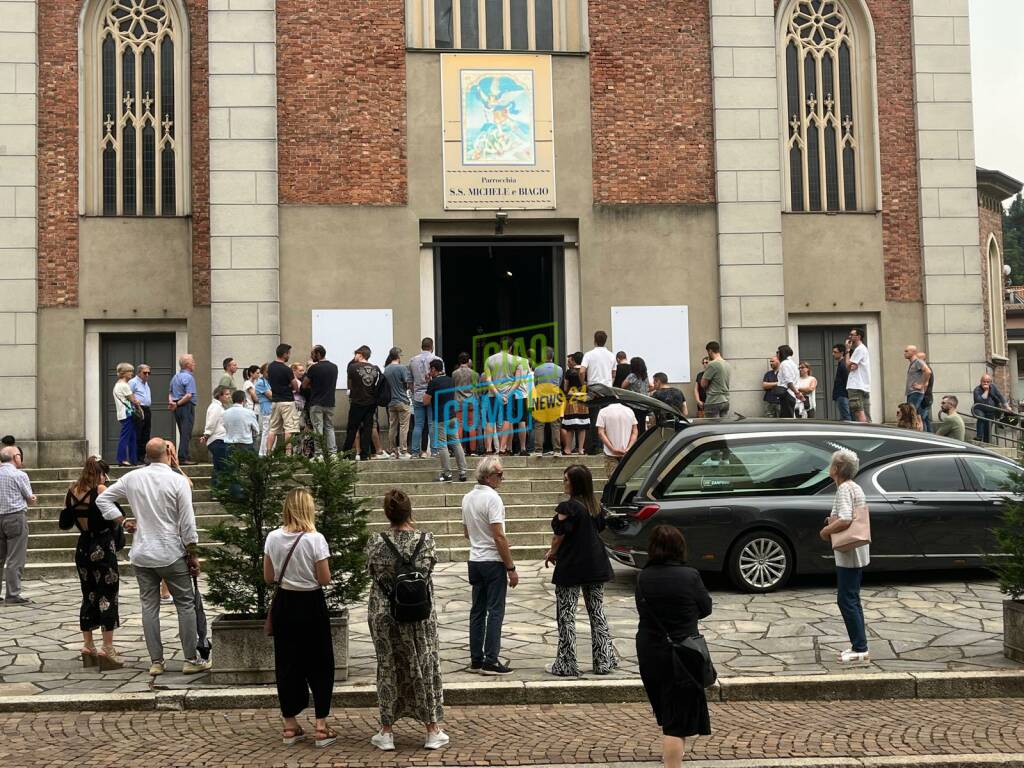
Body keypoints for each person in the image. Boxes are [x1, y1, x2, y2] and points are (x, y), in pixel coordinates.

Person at [96, 438, 210, 675]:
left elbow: (103, 499)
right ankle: (190, 658)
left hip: (143, 552)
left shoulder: (133, 477)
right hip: (171, 550)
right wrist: (193, 553)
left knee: (149, 607)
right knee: (185, 605)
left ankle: (156, 661)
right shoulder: (178, 481)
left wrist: (121, 520)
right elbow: (188, 523)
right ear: (168, 452)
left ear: (147, 455)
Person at [366, 489, 447, 751]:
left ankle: (386, 731)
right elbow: (429, 570)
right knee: (424, 664)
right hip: (419, 613)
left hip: (385, 612)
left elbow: (372, 572)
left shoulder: (376, 542)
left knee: (388, 666)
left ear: (386, 513)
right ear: (409, 511)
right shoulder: (427, 540)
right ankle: (432, 729)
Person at [263, 488, 336, 748]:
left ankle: (290, 724)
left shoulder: (272, 537)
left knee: (287, 663)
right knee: (320, 663)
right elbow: (325, 579)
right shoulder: (315, 539)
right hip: (311, 602)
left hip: (285, 602)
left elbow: (269, 577)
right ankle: (320, 724)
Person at [635, 525, 712, 767]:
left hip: (651, 649)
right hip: (684, 650)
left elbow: (642, 610)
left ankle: (671, 755)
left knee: (667, 709)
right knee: (676, 724)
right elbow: (706, 607)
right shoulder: (690, 576)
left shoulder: (643, 577)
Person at [542, 464, 617, 677]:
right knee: (597, 612)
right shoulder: (595, 506)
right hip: (595, 564)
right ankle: (604, 661)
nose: (564, 483)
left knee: (566, 615)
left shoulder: (568, 507)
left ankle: (566, 663)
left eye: (566, 479)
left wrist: (552, 552)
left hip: (572, 565)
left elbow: (559, 535)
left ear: (575, 483)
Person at [60, 456, 123, 669]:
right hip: (102, 545)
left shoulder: (73, 492)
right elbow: (117, 516)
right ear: (100, 474)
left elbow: (64, 523)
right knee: (108, 593)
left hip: (83, 546)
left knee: (88, 594)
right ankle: (108, 647)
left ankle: (88, 645)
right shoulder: (101, 491)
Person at [461, 456, 517, 675]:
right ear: (487, 476)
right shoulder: (493, 499)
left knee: (477, 610)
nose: (502, 478)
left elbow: (467, 532)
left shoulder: (467, 497)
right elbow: (498, 536)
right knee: (495, 611)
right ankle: (491, 659)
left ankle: (476, 659)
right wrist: (511, 567)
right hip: (492, 561)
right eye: (499, 474)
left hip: (474, 558)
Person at [818, 449, 870, 664]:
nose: (829, 468)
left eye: (831, 464)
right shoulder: (853, 487)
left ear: (837, 469)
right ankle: (859, 645)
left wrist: (825, 532)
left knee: (846, 599)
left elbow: (846, 519)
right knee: (852, 598)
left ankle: (860, 648)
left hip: (849, 550)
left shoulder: (844, 489)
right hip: (856, 549)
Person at [0, 445, 35, 605]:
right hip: (15, 517)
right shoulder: (19, 475)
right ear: (16, 457)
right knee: (15, 558)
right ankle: (13, 594)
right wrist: (32, 499)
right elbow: (29, 498)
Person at [482, 337, 529, 456]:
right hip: (508, 394)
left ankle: (488, 449)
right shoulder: (516, 361)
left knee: (490, 420)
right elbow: (517, 381)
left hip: (493, 394)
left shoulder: (489, 360)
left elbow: (488, 380)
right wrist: (507, 395)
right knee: (507, 419)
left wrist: (497, 394)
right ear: (510, 347)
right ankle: (503, 449)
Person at [424, 359, 467, 482]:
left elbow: (425, 401)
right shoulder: (450, 380)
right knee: (456, 443)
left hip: (440, 418)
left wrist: (429, 384)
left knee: (442, 445)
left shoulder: (434, 383)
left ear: (433, 369)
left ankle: (447, 473)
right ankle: (463, 472)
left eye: (430, 369)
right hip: (452, 416)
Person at [580, 331, 616, 454]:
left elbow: (581, 371)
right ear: (605, 341)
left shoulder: (589, 354)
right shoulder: (611, 355)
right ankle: (606, 446)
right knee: (606, 417)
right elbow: (613, 373)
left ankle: (595, 446)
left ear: (594, 340)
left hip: (593, 388)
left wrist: (583, 383)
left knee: (594, 417)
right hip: (607, 389)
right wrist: (609, 382)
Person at [344, 346, 382, 462]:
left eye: (356, 354)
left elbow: (350, 385)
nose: (354, 356)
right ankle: (365, 454)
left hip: (357, 401)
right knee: (367, 428)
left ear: (360, 354)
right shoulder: (375, 369)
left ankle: (346, 454)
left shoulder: (352, 367)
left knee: (352, 428)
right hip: (371, 403)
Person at [304, 345, 339, 457]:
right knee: (329, 427)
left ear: (318, 354)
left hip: (316, 402)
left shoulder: (313, 368)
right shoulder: (334, 367)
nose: (311, 356)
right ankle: (333, 453)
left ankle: (319, 454)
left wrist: (308, 370)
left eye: (312, 354)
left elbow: (304, 385)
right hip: (330, 402)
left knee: (317, 428)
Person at [410, 339, 441, 458]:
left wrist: (415, 393)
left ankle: (414, 452)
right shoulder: (437, 360)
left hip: (418, 396)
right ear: (432, 346)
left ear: (421, 346)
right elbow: (440, 380)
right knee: (432, 424)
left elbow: (409, 382)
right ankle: (434, 451)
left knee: (418, 425)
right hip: (432, 396)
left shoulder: (412, 360)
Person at [266, 344, 300, 454]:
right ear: (285, 354)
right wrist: (290, 385)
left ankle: (268, 452)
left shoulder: (270, 367)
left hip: (275, 401)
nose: (289, 355)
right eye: (289, 353)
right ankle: (288, 454)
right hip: (287, 401)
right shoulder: (286, 369)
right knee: (289, 429)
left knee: (273, 429)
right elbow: (295, 386)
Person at [531, 347, 563, 455]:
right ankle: (557, 450)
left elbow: (535, 385)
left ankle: (538, 450)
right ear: (552, 356)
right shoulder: (559, 369)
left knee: (539, 425)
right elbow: (559, 383)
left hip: (541, 398)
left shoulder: (537, 369)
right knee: (555, 425)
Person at [168, 353, 198, 464]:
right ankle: (183, 457)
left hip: (177, 407)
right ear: (187, 365)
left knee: (183, 432)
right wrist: (178, 404)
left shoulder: (175, 376)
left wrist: (172, 402)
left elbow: (170, 392)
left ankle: (185, 455)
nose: (194, 363)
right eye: (192, 362)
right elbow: (189, 395)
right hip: (185, 406)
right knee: (186, 432)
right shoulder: (189, 377)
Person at [383, 348, 413, 459]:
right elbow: (407, 383)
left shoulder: (386, 369)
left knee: (392, 427)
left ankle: (391, 450)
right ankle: (403, 451)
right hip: (402, 400)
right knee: (404, 427)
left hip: (391, 402)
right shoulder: (402, 368)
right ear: (398, 356)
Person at [200, 385, 232, 487]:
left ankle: (218, 490)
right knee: (220, 466)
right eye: (226, 394)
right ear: (220, 395)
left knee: (219, 466)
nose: (229, 396)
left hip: (219, 439)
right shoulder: (215, 407)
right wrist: (206, 435)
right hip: (217, 440)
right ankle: (216, 490)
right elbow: (211, 423)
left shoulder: (218, 407)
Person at [596, 401, 638, 477]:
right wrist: (629, 448)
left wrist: (612, 449)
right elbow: (635, 431)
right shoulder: (629, 410)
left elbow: (600, 432)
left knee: (612, 479)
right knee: (625, 479)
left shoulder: (603, 411)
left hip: (610, 453)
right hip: (626, 453)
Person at [452, 352, 480, 456]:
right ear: (468, 361)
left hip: (459, 402)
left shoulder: (454, 373)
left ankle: (461, 450)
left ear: (459, 361)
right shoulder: (475, 374)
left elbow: (453, 387)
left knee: (459, 425)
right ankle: (472, 451)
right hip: (471, 402)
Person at [561, 352, 589, 455]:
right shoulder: (585, 371)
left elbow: (565, 387)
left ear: (574, 360)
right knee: (582, 426)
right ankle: (581, 449)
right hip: (582, 399)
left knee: (570, 426)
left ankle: (568, 449)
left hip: (571, 399)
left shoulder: (569, 372)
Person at [113, 362, 140, 466]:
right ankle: (121, 459)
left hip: (123, 414)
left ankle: (134, 460)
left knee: (132, 438)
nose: (132, 374)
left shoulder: (117, 385)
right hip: (127, 414)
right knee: (125, 438)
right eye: (130, 371)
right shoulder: (124, 386)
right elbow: (134, 400)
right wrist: (137, 402)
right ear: (124, 373)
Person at [223, 389, 260, 456]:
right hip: (245, 443)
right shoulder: (249, 413)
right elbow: (256, 430)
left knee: (231, 465)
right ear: (244, 400)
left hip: (229, 443)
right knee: (247, 465)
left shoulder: (225, 413)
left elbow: (224, 427)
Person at [845, 329, 871, 423]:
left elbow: (847, 365)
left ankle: (864, 433)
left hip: (856, 385)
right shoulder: (863, 349)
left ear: (858, 336)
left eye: (852, 335)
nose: (850, 337)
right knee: (866, 413)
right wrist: (852, 365)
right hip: (863, 385)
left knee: (858, 412)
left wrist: (847, 350)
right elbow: (851, 366)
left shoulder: (859, 349)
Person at [973, 373, 1007, 444]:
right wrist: (986, 391)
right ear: (981, 381)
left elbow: (1000, 396)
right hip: (979, 409)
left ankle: (987, 442)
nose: (986, 383)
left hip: (990, 410)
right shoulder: (977, 390)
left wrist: (1007, 406)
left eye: (988, 382)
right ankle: (979, 436)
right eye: (984, 381)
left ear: (990, 382)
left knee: (988, 427)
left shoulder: (993, 387)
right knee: (981, 418)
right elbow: (981, 400)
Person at [129, 364, 153, 461]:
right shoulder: (133, 382)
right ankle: (136, 457)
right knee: (137, 433)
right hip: (138, 409)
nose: (147, 375)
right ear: (139, 373)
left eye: (148, 373)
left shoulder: (145, 383)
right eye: (145, 373)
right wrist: (135, 406)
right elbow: (128, 396)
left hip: (147, 409)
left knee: (146, 434)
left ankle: (143, 456)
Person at [903, 345, 931, 426]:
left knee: (911, 416)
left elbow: (928, 372)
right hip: (912, 393)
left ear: (913, 352)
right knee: (918, 417)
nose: (904, 353)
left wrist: (921, 385)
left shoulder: (918, 362)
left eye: (907, 351)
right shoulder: (913, 363)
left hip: (915, 393)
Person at [701, 342, 730, 418]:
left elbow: (703, 384)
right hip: (725, 400)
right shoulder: (727, 364)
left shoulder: (713, 364)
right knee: (723, 427)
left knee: (710, 427)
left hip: (714, 400)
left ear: (710, 351)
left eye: (708, 352)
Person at [622, 356, 651, 433]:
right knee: (641, 425)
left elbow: (623, 386)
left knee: (635, 425)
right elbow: (649, 386)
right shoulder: (645, 376)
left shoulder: (632, 376)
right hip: (644, 404)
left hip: (634, 404)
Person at [775, 345, 804, 418]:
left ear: (782, 353)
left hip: (787, 394)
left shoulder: (784, 363)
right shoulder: (793, 363)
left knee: (786, 420)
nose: (777, 354)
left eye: (778, 352)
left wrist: (797, 393)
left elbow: (789, 381)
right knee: (788, 418)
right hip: (790, 395)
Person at [831, 344, 851, 421]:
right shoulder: (841, 364)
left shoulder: (843, 364)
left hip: (843, 394)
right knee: (845, 417)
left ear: (842, 353)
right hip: (842, 394)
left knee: (846, 418)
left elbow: (847, 379)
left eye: (835, 352)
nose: (833, 354)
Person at [918, 351, 935, 432]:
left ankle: (924, 437)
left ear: (924, 360)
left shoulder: (925, 370)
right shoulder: (924, 369)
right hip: (926, 398)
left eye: (919, 359)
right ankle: (930, 435)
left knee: (921, 419)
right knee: (926, 419)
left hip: (924, 399)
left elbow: (925, 385)